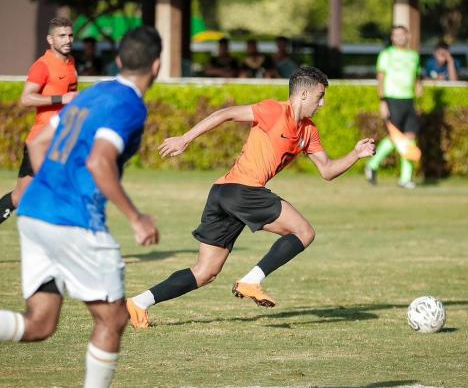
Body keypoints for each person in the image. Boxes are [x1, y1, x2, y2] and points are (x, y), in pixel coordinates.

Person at [0, 26, 163, 386]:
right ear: (157, 66)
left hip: (35, 213)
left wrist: (52, 188)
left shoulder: (93, 94)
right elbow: (100, 162)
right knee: (112, 319)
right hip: (74, 221)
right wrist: (136, 217)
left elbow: (40, 141)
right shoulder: (130, 104)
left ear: (119, 60)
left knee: (40, 322)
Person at [125, 66, 376, 329]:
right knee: (304, 232)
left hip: (224, 194)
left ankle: (139, 303)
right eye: (320, 96)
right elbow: (226, 114)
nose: (322, 103)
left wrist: (355, 155)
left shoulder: (308, 131)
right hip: (242, 190)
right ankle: (251, 281)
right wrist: (185, 139)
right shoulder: (274, 110)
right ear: (303, 95)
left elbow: (327, 170)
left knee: (205, 272)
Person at [0, 17, 78, 262]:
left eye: (70, 35)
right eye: (62, 36)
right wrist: (60, 100)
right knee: (30, 196)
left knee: (43, 193)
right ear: (50, 39)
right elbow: (26, 98)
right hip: (41, 142)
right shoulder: (42, 66)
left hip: (63, 139)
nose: (67, 40)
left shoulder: (71, 62)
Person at [364, 25, 423, 189]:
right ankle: (373, 164)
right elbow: (380, 79)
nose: (398, 38)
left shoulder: (413, 56)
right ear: (392, 38)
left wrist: (419, 89)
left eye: (401, 35)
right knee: (396, 137)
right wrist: (382, 100)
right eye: (395, 35)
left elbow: (417, 77)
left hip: (409, 100)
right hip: (392, 99)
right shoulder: (386, 55)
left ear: (408, 36)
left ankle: (406, 178)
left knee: (410, 137)